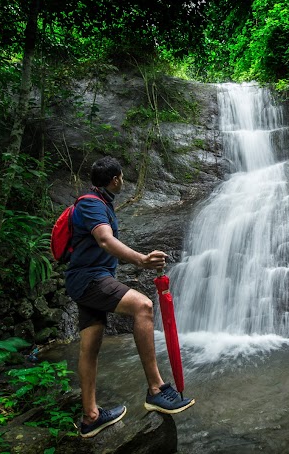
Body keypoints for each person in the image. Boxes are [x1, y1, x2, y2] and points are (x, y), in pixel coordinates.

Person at [64, 156, 194, 438]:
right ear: (115, 180)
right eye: (122, 177)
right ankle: (156, 389)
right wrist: (141, 260)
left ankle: (90, 417)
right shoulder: (91, 204)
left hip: (85, 279)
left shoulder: (99, 202)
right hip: (90, 279)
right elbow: (104, 239)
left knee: (91, 345)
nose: (122, 181)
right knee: (143, 307)